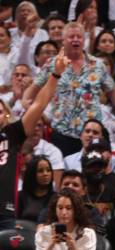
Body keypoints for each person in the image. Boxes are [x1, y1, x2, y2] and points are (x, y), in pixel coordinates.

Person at [25, 22, 115, 156]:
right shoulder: (53, 64)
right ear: (63, 41)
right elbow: (33, 88)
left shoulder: (97, 64)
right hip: (63, 133)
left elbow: (113, 89)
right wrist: (26, 101)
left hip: (92, 132)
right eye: (71, 37)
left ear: (84, 40)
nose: (75, 39)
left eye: (79, 37)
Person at [0, 48, 68, 230]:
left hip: (5, 213)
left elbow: (39, 104)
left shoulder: (12, 134)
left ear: (7, 115)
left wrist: (55, 75)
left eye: (0, 111)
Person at [18, 155, 55, 222]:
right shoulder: (20, 196)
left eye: (48, 170)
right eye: (40, 171)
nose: (45, 174)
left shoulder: (56, 197)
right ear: (32, 174)